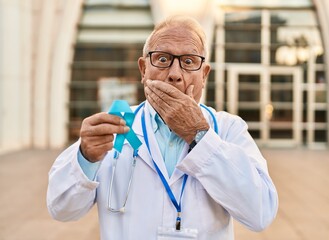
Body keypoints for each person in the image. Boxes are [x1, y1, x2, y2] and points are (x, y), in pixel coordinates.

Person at [47, 15, 278, 240]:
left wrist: (199, 135)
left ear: (204, 75)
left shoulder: (227, 129)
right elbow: (62, 209)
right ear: (143, 69)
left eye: (188, 62)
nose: (175, 74)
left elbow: (260, 213)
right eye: (162, 59)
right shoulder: (116, 124)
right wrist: (86, 158)